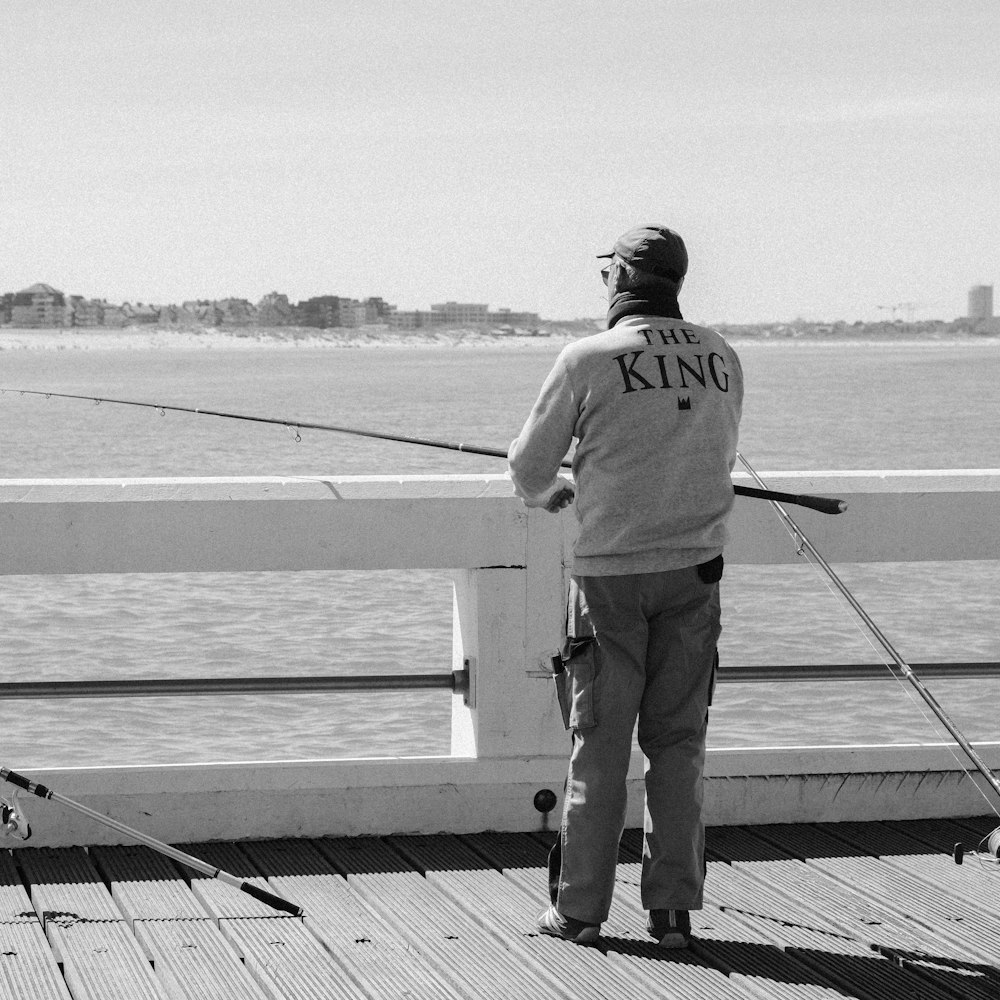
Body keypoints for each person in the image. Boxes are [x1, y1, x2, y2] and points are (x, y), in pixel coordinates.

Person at [507, 224, 744, 948]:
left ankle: (579, 910)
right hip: (694, 577)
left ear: (619, 281)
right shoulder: (723, 356)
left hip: (611, 580)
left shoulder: (587, 359)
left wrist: (553, 492)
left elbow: (527, 469)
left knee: (600, 745)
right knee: (678, 744)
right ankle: (673, 911)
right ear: (675, 281)